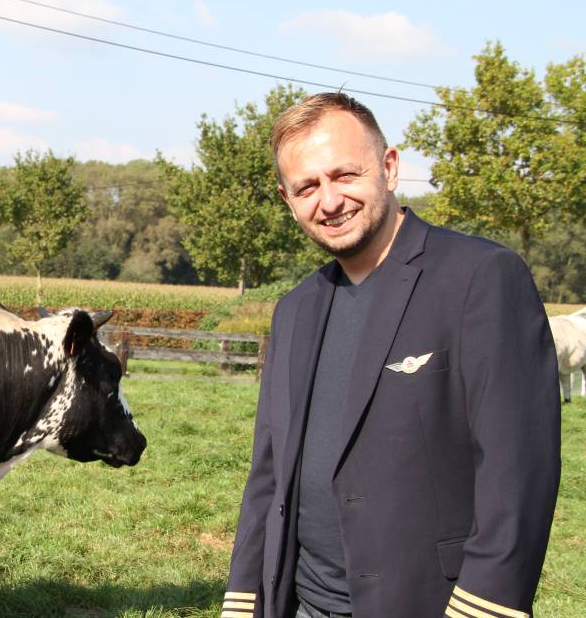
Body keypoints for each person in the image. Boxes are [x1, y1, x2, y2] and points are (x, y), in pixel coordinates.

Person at [223, 92, 560, 618]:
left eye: (344, 175)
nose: (328, 201)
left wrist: (483, 609)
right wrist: (244, 601)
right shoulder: (294, 310)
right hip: (301, 604)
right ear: (288, 200)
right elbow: (268, 475)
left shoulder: (480, 278)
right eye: (306, 187)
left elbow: (518, 473)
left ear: (390, 167)